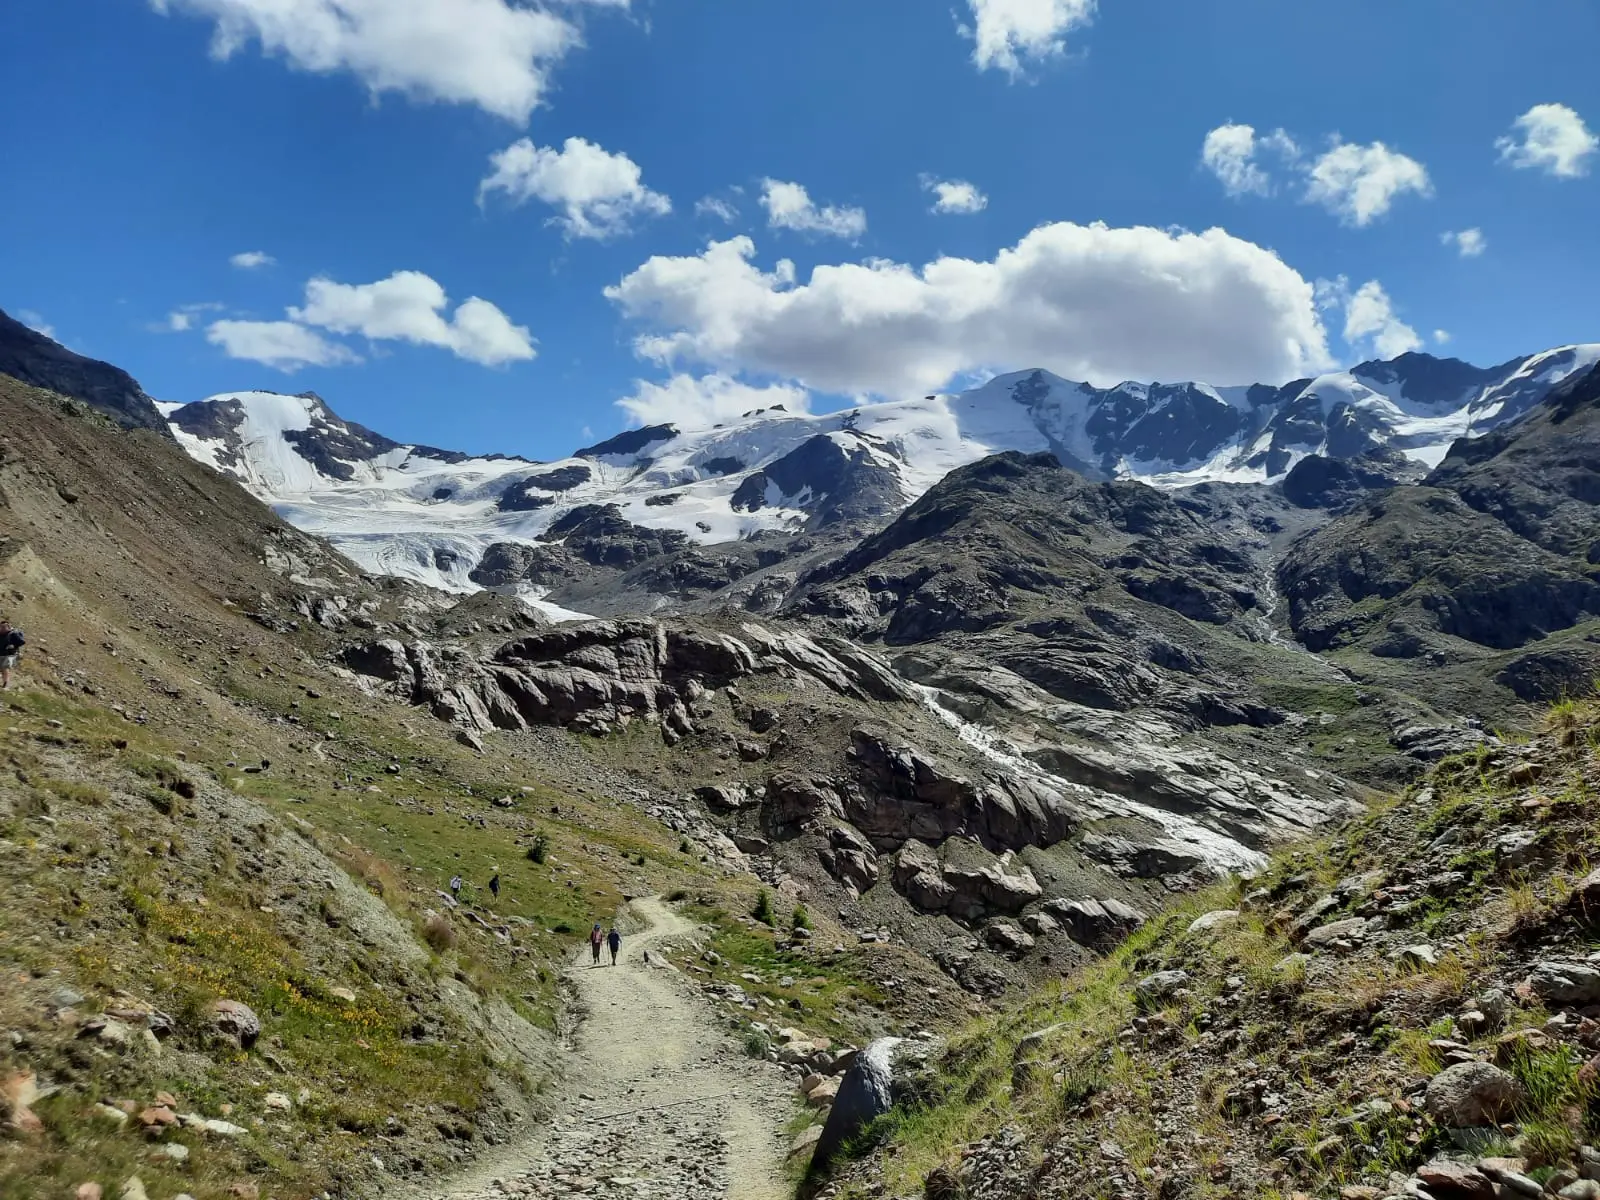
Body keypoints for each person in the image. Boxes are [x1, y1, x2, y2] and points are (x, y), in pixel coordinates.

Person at [0, 620, 24, 691]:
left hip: (9, 654)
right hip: (1, 653)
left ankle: (6, 684)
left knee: (5, 668)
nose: (2, 628)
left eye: (4, 627)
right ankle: (5, 683)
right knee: (3, 669)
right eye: (1, 627)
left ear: (8, 627)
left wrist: (14, 645)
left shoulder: (13, 634)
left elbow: (21, 642)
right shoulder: (1, 634)